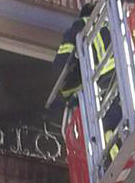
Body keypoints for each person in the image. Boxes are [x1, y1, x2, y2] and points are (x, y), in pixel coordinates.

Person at [52, 1, 122, 163]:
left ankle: (118, 159)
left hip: (107, 87)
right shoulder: (122, 16)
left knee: (108, 127)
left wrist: (65, 96)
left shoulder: (81, 27)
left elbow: (62, 69)